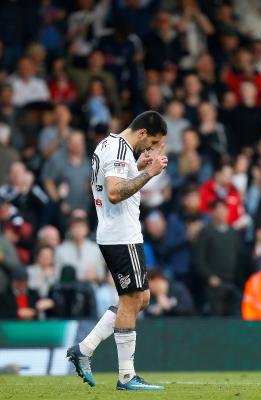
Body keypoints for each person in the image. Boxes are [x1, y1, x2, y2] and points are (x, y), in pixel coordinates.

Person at [67, 111, 168, 390]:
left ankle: (85, 349)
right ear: (143, 133)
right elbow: (114, 192)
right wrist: (149, 172)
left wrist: (138, 165)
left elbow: (114, 181)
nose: (151, 148)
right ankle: (126, 376)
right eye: (152, 142)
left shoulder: (108, 144)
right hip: (121, 235)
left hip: (117, 233)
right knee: (133, 300)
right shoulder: (119, 150)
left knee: (140, 299)